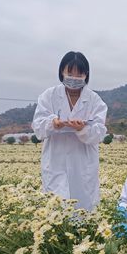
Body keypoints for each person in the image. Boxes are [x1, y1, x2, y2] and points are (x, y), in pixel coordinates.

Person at [32, 51, 108, 212]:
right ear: (62, 72)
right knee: (57, 210)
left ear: (86, 74)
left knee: (83, 209)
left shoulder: (94, 100)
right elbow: (38, 127)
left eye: (79, 74)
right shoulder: (49, 96)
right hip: (55, 161)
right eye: (69, 73)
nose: (74, 78)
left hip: (83, 163)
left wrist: (83, 129)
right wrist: (53, 123)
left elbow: (99, 132)